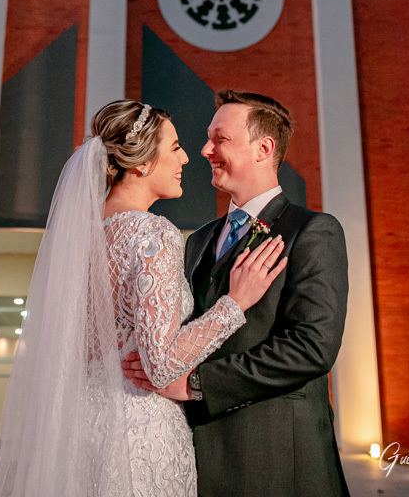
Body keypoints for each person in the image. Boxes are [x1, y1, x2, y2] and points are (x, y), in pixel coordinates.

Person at [0, 100, 286, 497]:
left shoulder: (80, 237)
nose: (186, 157)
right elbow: (160, 365)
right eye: (175, 146)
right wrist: (235, 304)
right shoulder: (152, 235)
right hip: (138, 432)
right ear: (141, 164)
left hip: (81, 428)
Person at [123, 90, 350, 497]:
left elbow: (312, 347)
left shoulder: (313, 231)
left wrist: (197, 384)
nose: (206, 149)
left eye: (220, 139)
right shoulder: (198, 240)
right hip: (198, 457)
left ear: (264, 148)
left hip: (277, 457)